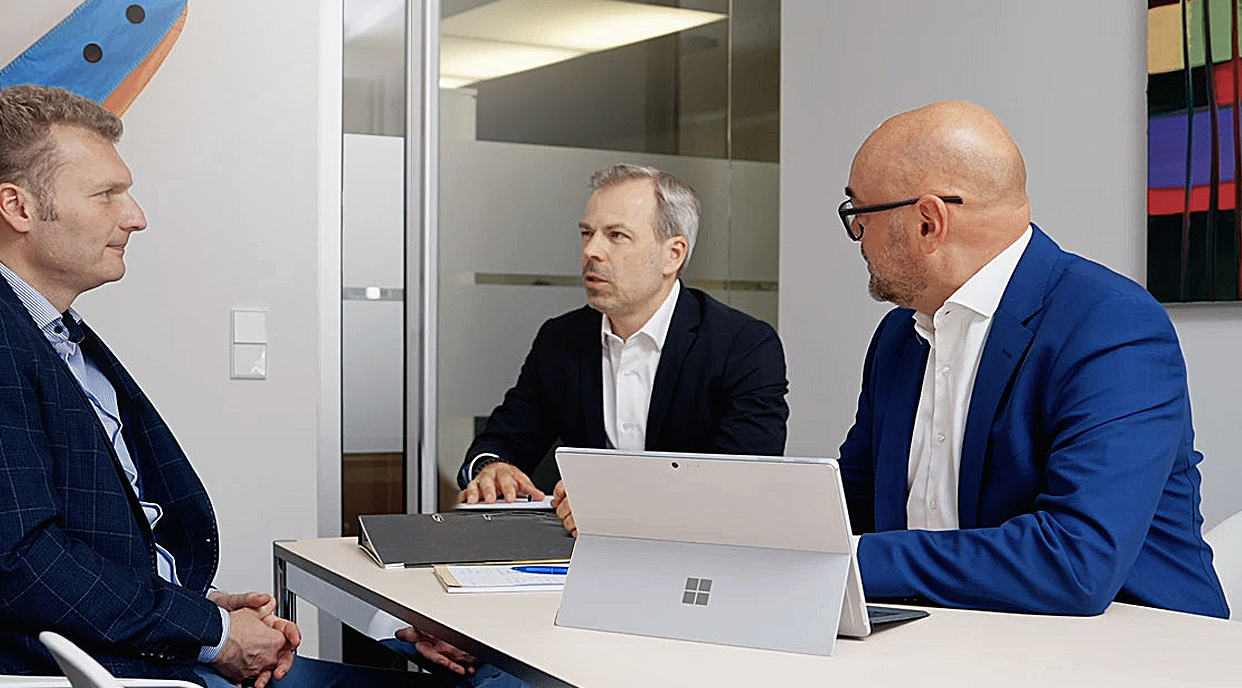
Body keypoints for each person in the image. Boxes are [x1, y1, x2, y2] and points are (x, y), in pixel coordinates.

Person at [0, 84, 491, 688]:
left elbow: (61, 537)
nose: (136, 216)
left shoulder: (37, 332)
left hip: (134, 655)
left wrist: (198, 606)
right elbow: (18, 563)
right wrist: (213, 634)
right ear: (19, 207)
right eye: (107, 195)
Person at [836, 100, 1228, 617]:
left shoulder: (1111, 325)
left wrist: (858, 560)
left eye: (859, 215)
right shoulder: (899, 337)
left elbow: (1074, 560)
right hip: (941, 639)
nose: (858, 237)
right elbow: (851, 501)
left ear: (929, 222)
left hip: (1130, 660)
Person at [456, 163, 790, 535]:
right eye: (587, 233)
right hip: (578, 560)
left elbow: (740, 482)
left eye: (616, 236)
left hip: (698, 562)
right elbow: (502, 438)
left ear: (673, 255)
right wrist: (493, 468)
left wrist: (614, 508)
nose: (591, 251)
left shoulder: (742, 346)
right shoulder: (561, 340)